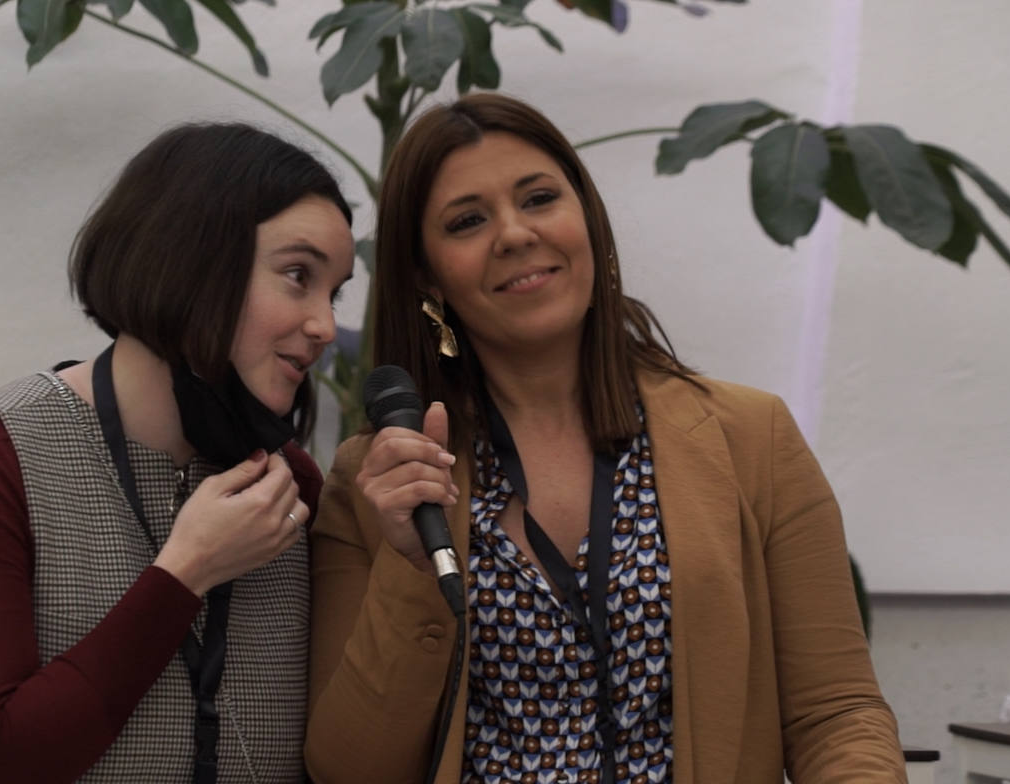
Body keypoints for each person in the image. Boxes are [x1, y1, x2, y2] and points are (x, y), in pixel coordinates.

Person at [304, 93, 905, 783]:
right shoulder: (376, 483)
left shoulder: (751, 438)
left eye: (538, 199)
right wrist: (409, 565)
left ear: (588, 220)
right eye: (468, 221)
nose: (514, 233)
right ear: (427, 277)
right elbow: (347, 769)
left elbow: (836, 714)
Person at [0, 123, 354, 783]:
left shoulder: (290, 483)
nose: (325, 325)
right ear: (189, 259)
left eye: (335, 291)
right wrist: (184, 575)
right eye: (298, 276)